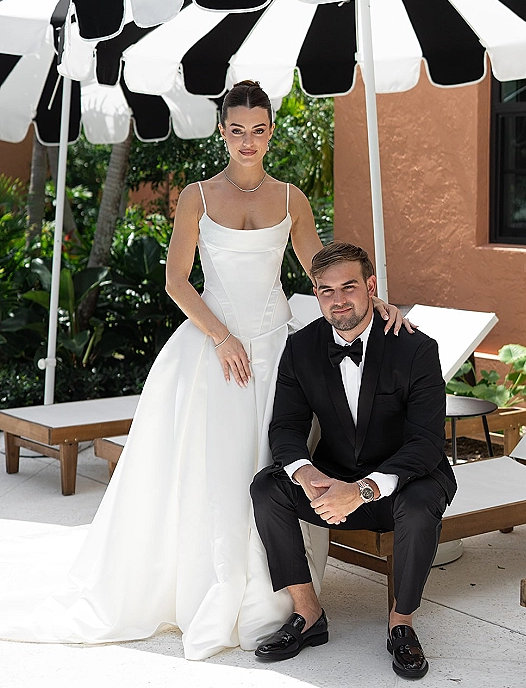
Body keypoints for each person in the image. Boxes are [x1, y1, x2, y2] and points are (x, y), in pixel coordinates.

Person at [0, 81, 410, 661]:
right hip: (214, 347)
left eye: (259, 129)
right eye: (237, 129)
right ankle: (211, 587)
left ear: (271, 132)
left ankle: (286, 597)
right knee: (216, 470)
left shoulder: (291, 199)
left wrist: (374, 301)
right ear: (223, 132)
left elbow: (323, 271)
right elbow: (176, 282)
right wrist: (221, 338)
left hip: (275, 351)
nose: (248, 141)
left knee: (273, 463)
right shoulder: (196, 196)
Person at [251, 241, 457, 679]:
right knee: (267, 487)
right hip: (334, 478)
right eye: (326, 290)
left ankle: (401, 624)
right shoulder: (301, 348)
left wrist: (362, 490)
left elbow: (426, 443)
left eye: (349, 286)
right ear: (315, 292)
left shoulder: (416, 347)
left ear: (371, 286)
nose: (338, 299)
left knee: (420, 505)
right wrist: (305, 473)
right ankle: (308, 615)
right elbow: (286, 427)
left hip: (406, 480)